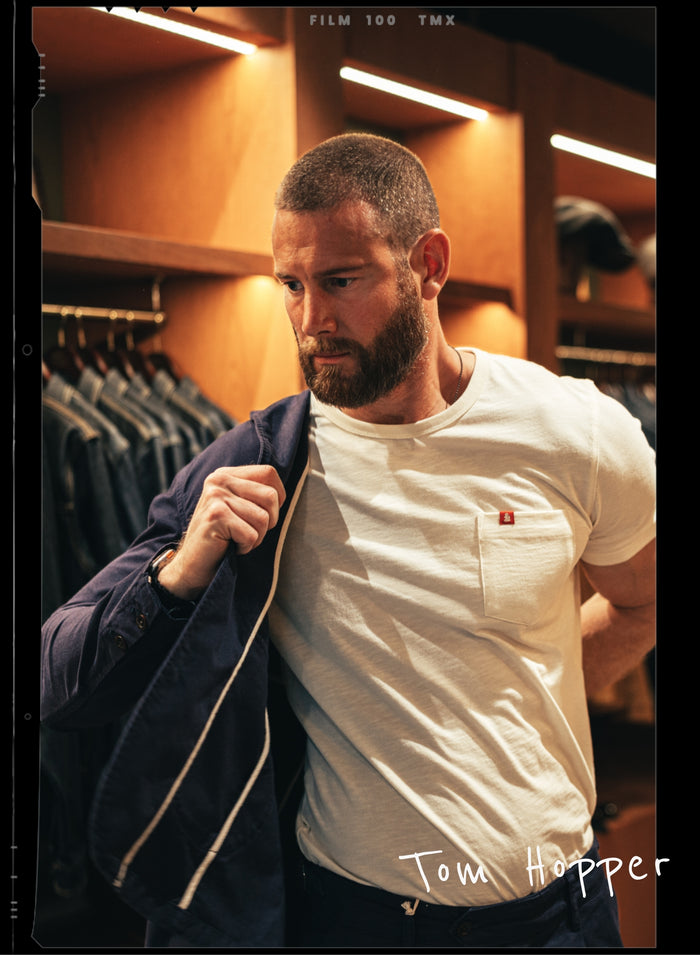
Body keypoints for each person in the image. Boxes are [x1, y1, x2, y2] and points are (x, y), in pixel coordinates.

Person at [40, 133, 656, 949]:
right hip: (355, 921)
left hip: (560, 916)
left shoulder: (576, 429)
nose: (311, 321)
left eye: (340, 280)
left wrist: (520, 706)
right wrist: (177, 573)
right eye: (291, 285)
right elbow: (59, 678)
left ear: (428, 264)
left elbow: (644, 599)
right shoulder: (264, 461)